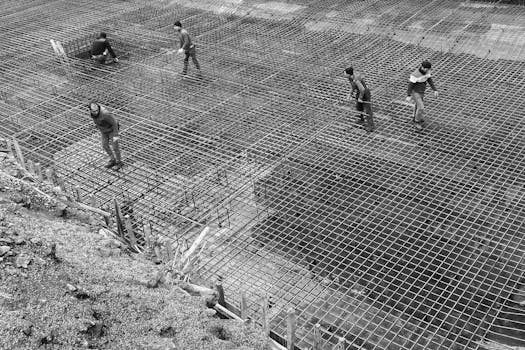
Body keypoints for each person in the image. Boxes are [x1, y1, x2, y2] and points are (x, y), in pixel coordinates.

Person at [89, 102, 123, 170]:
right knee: (104, 145)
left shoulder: (105, 114)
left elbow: (115, 123)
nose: (96, 112)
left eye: (97, 111)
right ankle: (112, 160)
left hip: (113, 131)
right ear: (90, 110)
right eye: (94, 111)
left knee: (115, 147)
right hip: (104, 131)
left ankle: (119, 162)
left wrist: (116, 135)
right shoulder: (92, 114)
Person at [406, 60, 439, 130]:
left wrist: (435, 90)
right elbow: (410, 85)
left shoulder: (426, 72)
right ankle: (416, 121)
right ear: (423, 67)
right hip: (415, 92)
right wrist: (408, 95)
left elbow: (429, 80)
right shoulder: (415, 75)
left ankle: (415, 116)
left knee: (417, 106)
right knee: (421, 107)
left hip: (421, 92)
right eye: (427, 69)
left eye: (429, 69)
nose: (428, 71)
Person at [344, 67, 375, 132]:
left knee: (368, 110)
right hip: (359, 92)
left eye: (345, 73)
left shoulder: (356, 79)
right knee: (359, 107)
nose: (344, 74)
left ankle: (371, 126)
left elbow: (362, 89)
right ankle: (361, 120)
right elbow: (353, 86)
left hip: (365, 93)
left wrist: (360, 98)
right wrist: (350, 94)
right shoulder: (350, 78)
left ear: (349, 74)